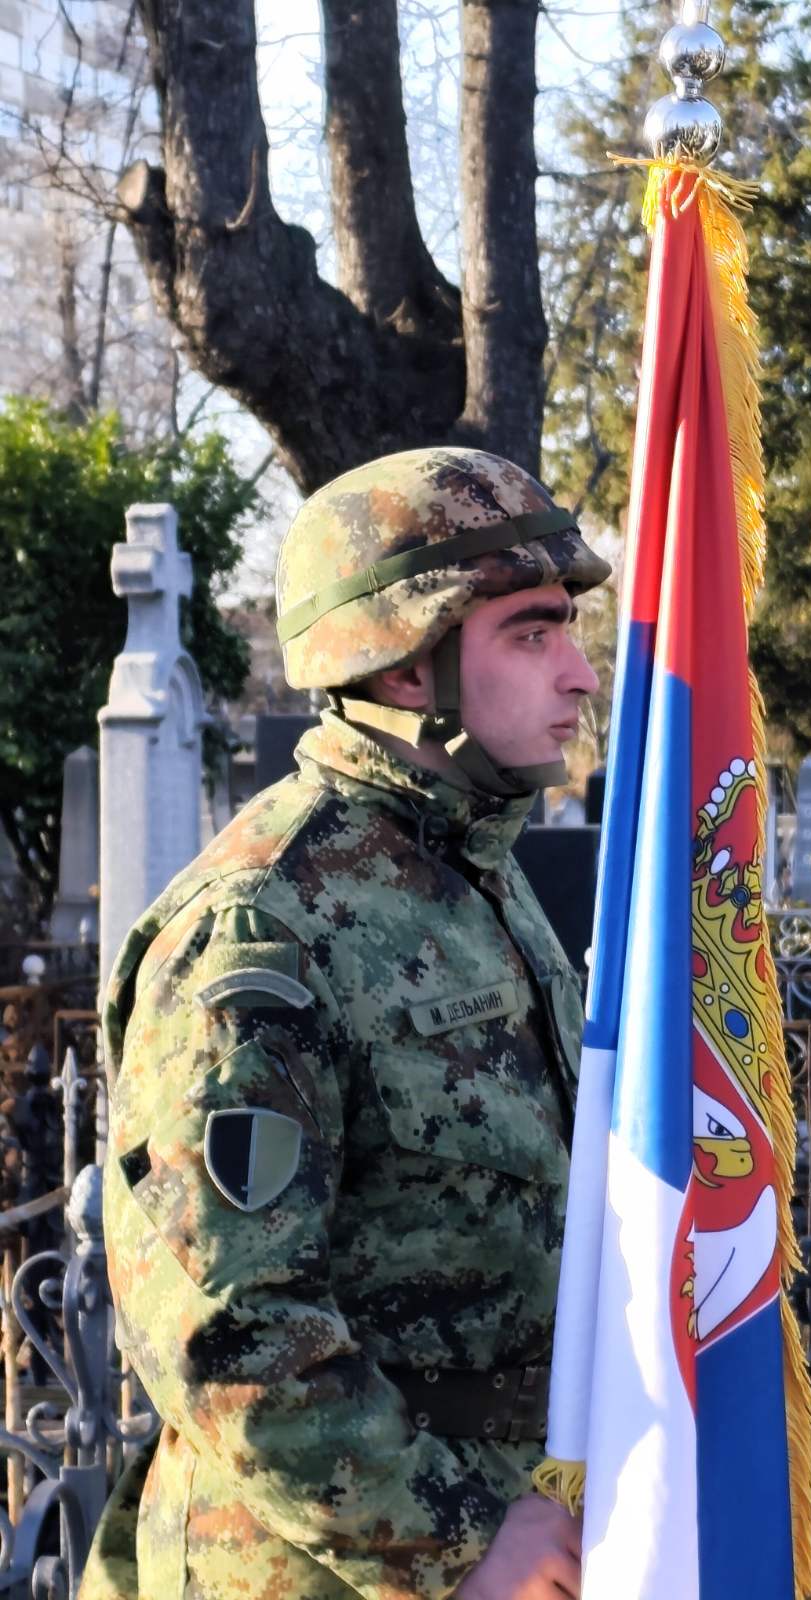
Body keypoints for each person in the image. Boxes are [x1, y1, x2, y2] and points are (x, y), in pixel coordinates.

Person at [79, 448, 611, 1600]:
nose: (578, 676)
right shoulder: (260, 925)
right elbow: (226, 1323)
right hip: (321, 1568)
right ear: (410, 664)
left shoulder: (471, 870)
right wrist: (455, 1540)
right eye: (532, 634)